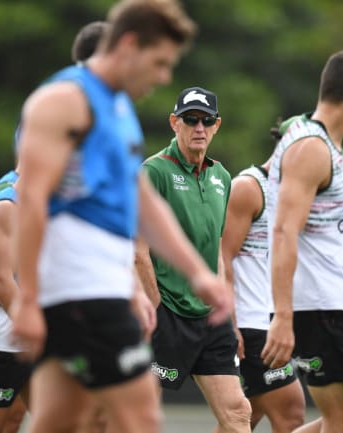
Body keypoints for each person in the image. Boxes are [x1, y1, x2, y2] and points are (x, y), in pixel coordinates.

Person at [10, 1, 232, 433]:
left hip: (101, 289)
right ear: (129, 45)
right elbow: (30, 201)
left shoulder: (119, 110)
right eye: (160, 62)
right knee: (140, 416)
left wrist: (198, 274)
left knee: (65, 419)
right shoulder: (62, 101)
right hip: (78, 292)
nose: (164, 76)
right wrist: (30, 300)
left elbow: (142, 202)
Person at [0, 21, 113, 433]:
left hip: (33, 337)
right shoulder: (8, 203)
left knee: (82, 420)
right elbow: (2, 281)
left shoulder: (49, 201)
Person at [260, 51, 343, 433]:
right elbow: (282, 231)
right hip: (319, 305)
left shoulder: (325, 145)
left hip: (334, 301)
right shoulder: (311, 148)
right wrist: (282, 316)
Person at [135, 86, 251, 433]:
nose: (199, 127)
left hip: (209, 318)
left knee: (238, 413)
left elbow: (215, 246)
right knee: (138, 417)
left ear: (217, 125)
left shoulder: (222, 177)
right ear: (175, 123)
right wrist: (156, 307)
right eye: (190, 119)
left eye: (207, 120)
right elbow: (137, 249)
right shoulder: (153, 171)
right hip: (166, 313)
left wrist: (225, 307)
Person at [219, 119, 308, 433]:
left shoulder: (296, 193)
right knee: (291, 412)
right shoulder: (249, 187)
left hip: (269, 321)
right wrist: (230, 324)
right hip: (250, 323)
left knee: (246, 417)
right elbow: (222, 258)